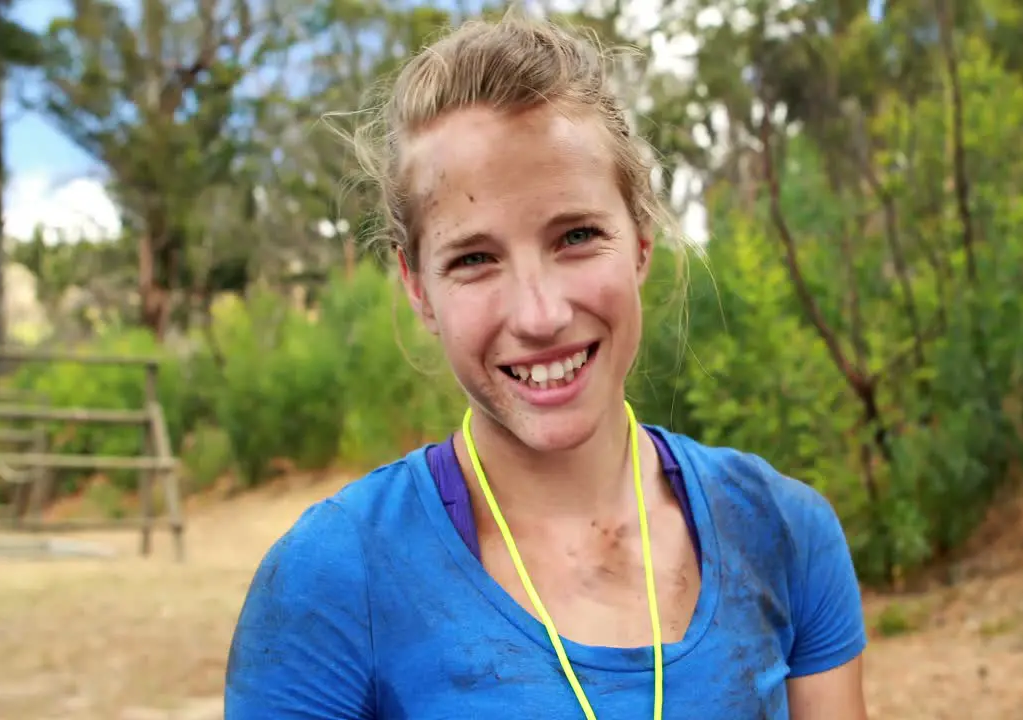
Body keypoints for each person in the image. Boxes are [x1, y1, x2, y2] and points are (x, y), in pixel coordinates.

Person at [223, 10, 869, 720]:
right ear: (418, 288)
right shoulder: (335, 581)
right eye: (474, 259)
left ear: (641, 244)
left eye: (577, 236)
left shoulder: (784, 534)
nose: (539, 315)